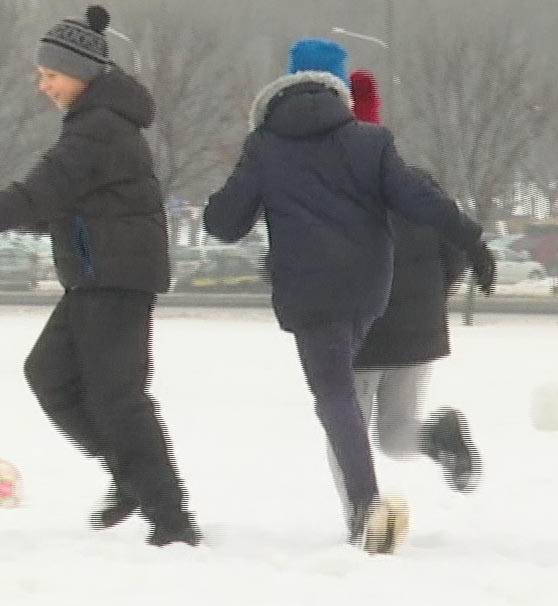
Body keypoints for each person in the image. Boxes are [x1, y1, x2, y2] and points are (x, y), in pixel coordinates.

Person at [0, 5, 201, 547]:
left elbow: (36, 195)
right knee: (49, 374)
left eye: (49, 74)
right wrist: (34, 218)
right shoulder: (96, 125)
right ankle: (131, 478)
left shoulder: (98, 129)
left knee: (121, 398)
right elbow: (64, 205)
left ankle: (172, 519)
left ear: (81, 73)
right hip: (97, 275)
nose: (41, 84)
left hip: (116, 278)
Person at [202, 39, 495, 552]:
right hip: (368, 291)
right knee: (359, 410)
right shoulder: (371, 142)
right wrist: (472, 239)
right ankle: (365, 508)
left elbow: (226, 223)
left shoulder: (265, 146)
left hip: (311, 293)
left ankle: (364, 509)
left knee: (337, 400)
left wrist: (230, 198)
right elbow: (420, 200)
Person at [321, 70, 484, 526]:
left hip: (360, 331)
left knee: (346, 430)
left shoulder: (330, 191)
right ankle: (437, 435)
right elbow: (454, 250)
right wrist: (430, 298)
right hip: (419, 328)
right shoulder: (420, 181)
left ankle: (361, 512)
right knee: (395, 434)